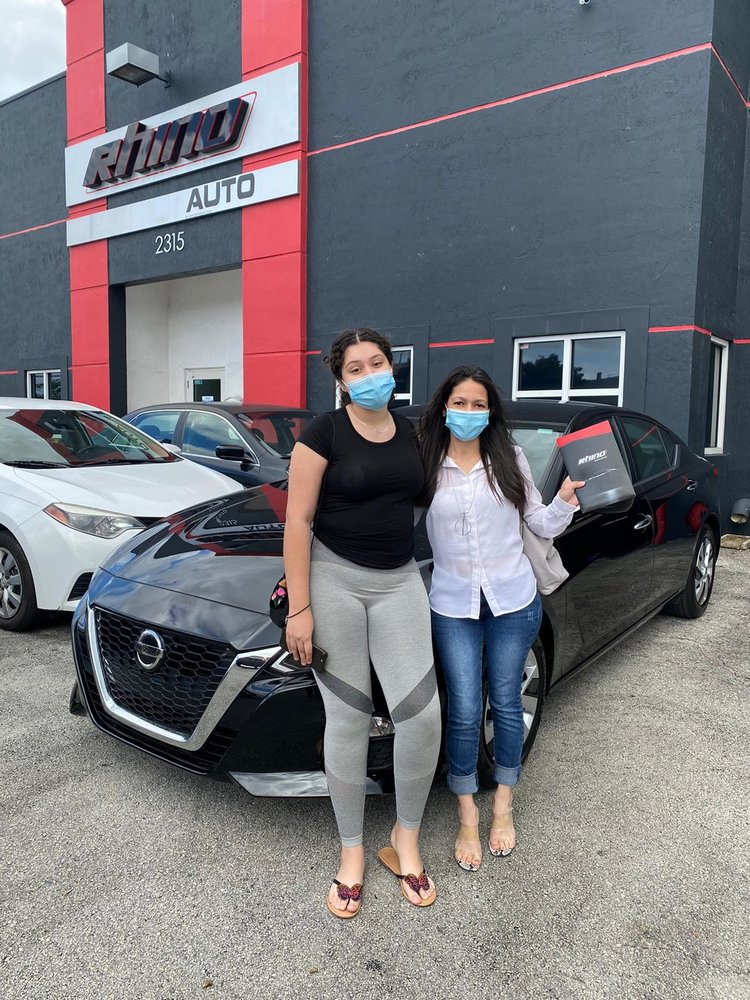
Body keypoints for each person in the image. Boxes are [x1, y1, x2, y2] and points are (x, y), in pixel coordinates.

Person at [283, 328, 442, 917]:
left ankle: (405, 837)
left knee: (422, 716)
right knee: (347, 719)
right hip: (334, 581)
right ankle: (351, 849)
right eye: (356, 368)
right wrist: (300, 609)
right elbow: (297, 522)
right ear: (341, 380)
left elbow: (426, 501)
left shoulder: (414, 434)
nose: (370, 374)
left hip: (399, 581)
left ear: (392, 368)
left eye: (378, 363)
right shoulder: (323, 433)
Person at [418, 365, 583, 871]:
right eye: (460, 403)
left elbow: (538, 521)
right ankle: (467, 812)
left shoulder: (508, 458)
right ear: (444, 408)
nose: (469, 412)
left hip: (513, 599)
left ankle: (504, 805)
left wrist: (564, 502)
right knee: (465, 710)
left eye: (479, 404)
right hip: (453, 606)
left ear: (491, 412)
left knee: (508, 703)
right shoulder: (425, 462)